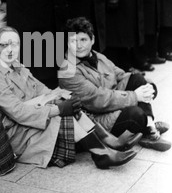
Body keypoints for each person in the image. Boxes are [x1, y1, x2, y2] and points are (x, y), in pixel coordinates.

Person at [0, 26, 139, 171]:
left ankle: (110, 142)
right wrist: (57, 109)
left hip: (33, 120)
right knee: (62, 115)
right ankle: (101, 154)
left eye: (14, 44)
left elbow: (43, 89)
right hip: (18, 133)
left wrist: (62, 97)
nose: (10, 50)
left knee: (70, 106)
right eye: (4, 45)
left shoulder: (18, 66)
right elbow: (18, 112)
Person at [58, 17, 171, 153]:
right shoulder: (67, 70)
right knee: (136, 114)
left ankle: (148, 127)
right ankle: (147, 127)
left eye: (83, 40)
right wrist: (135, 96)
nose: (79, 45)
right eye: (73, 41)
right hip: (96, 118)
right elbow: (96, 100)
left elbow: (119, 74)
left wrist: (145, 85)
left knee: (139, 80)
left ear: (92, 40)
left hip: (111, 102)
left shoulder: (97, 56)